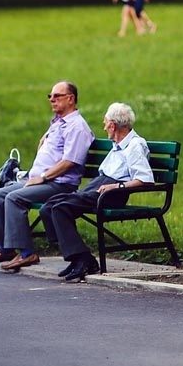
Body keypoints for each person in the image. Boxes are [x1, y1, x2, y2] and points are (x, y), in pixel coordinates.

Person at [0, 81, 95, 271]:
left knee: (14, 198)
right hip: (41, 180)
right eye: (49, 96)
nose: (51, 99)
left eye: (57, 96)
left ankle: (27, 253)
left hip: (59, 184)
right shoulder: (59, 123)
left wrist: (43, 177)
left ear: (70, 98)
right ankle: (6, 248)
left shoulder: (77, 127)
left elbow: (70, 162)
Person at [40, 102, 154, 282]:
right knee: (49, 206)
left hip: (112, 193)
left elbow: (145, 179)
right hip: (100, 186)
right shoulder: (118, 144)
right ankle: (77, 257)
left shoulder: (135, 145)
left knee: (61, 208)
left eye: (105, 122)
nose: (104, 126)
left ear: (113, 125)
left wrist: (116, 187)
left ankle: (84, 260)